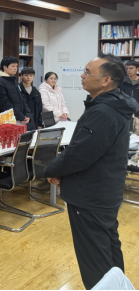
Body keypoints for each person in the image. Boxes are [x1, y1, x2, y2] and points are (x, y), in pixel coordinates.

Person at [44, 54, 139, 290]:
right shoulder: (115, 104)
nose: (82, 75)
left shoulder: (104, 112)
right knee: (108, 250)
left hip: (91, 194)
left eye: (87, 72)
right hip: (105, 190)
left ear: (106, 80)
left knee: (95, 260)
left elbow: (80, 152)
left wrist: (52, 169)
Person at [0, 56, 34, 130]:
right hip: (7, 121)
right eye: (13, 66)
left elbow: (23, 100)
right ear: (5, 67)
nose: (15, 68)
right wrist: (21, 116)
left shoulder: (14, 81)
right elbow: (4, 104)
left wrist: (28, 115)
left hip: (20, 120)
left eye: (16, 66)